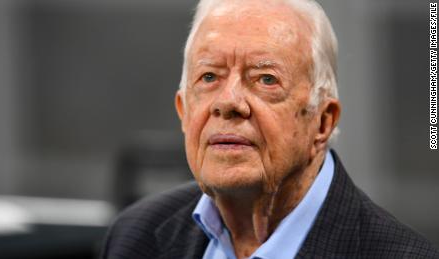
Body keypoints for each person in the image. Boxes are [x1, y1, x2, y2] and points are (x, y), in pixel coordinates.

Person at [101, 0, 439, 258]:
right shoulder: (135, 236)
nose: (228, 102)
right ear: (184, 112)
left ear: (323, 121)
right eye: (209, 77)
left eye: (265, 79)